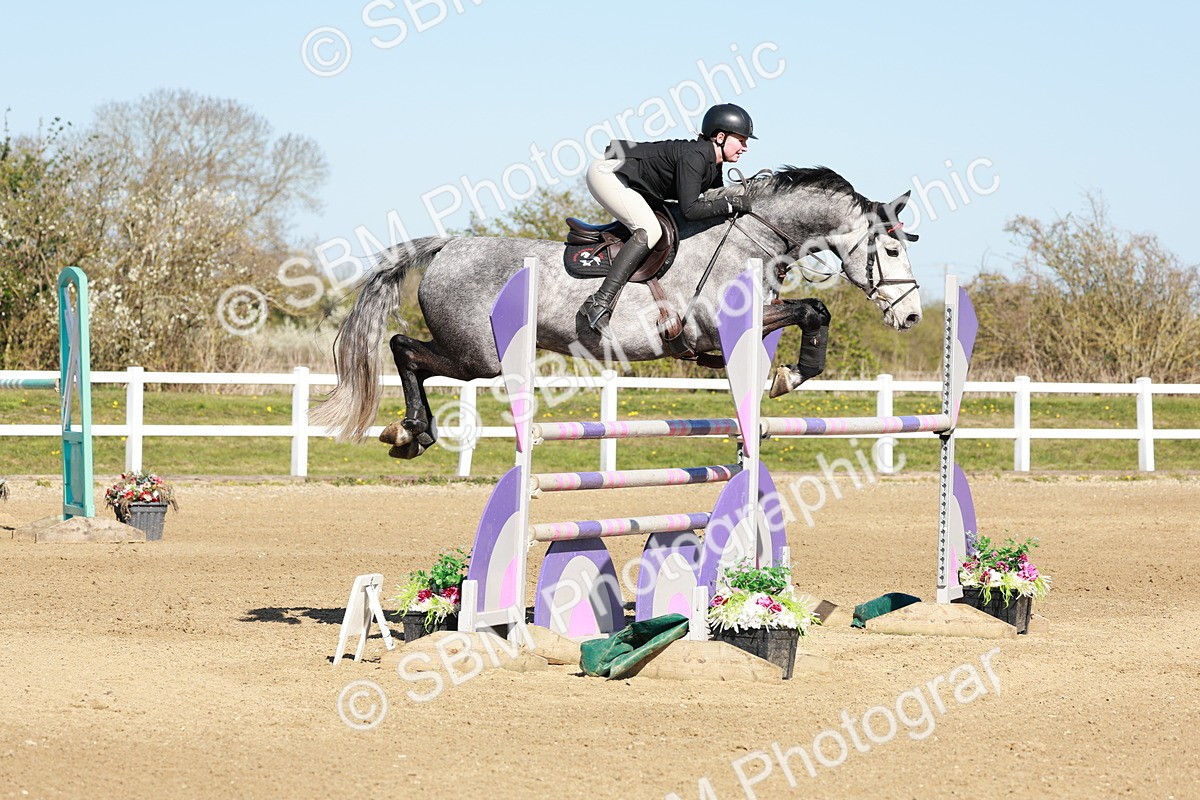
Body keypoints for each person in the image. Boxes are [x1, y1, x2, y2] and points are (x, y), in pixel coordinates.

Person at [578, 103, 757, 336]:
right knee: (650, 230)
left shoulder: (713, 166)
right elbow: (691, 210)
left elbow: (714, 203)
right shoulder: (696, 156)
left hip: (633, 181)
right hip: (609, 173)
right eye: (741, 140)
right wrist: (732, 204)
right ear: (720, 136)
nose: (745, 148)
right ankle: (598, 303)